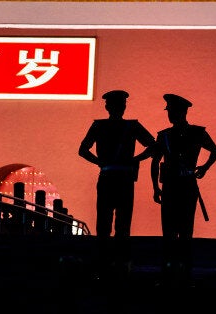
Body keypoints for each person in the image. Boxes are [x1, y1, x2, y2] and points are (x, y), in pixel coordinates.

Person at [78, 89, 156, 280]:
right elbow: (153, 145)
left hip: (106, 176)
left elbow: (83, 150)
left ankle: (102, 264)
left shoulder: (98, 126)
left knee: (103, 222)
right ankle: (121, 264)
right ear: (124, 106)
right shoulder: (132, 126)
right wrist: (136, 159)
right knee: (123, 223)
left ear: (107, 107)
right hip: (125, 178)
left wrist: (99, 162)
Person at [150, 93, 216, 286]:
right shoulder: (197, 133)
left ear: (180, 112)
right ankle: (180, 275)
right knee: (178, 233)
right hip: (184, 185)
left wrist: (156, 187)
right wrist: (204, 168)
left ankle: (174, 275)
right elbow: (215, 152)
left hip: (175, 186)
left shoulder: (164, 136)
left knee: (177, 233)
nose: (169, 115)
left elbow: (155, 162)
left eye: (171, 111)